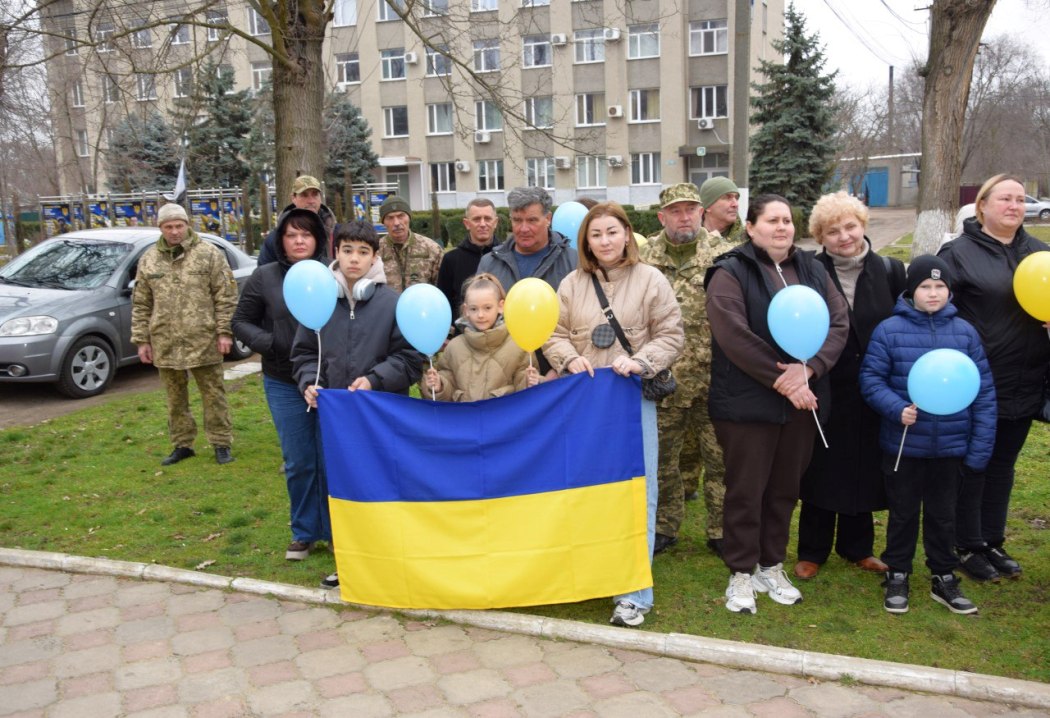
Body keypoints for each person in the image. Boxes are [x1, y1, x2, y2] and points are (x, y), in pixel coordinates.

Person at [704, 194, 848, 614]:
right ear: (750, 228)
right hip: (746, 404)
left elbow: (838, 323)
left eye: (787, 220)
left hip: (802, 402)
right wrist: (785, 380)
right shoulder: (730, 271)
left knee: (785, 490)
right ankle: (741, 571)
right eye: (772, 220)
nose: (782, 227)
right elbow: (733, 335)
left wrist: (811, 369)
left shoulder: (814, 269)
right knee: (746, 491)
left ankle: (771, 565)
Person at [544, 202, 685, 628]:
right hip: (583, 404)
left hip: (629, 402)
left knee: (635, 494)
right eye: (596, 234)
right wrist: (567, 358)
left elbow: (671, 334)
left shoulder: (651, 280)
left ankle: (633, 594)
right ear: (586, 241)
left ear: (626, 234)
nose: (604, 241)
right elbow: (553, 332)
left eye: (612, 231)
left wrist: (641, 361)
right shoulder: (571, 285)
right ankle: (589, 575)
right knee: (585, 491)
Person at [292, 219, 426, 589]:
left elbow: (410, 360)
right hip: (337, 421)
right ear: (335, 253)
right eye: (347, 250)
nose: (354, 259)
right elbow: (304, 354)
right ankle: (350, 561)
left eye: (363, 252)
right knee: (344, 488)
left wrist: (374, 379)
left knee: (386, 485)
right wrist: (309, 382)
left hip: (383, 416)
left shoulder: (393, 303)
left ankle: (395, 560)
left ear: (374, 258)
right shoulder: (318, 300)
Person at [859, 255, 997, 615]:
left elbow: (983, 392)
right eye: (925, 286)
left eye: (940, 286)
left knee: (943, 514)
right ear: (911, 290)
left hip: (951, 446)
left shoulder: (965, 333)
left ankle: (943, 576)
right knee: (903, 512)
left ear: (949, 291)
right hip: (904, 444)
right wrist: (896, 408)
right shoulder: (889, 331)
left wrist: (979, 449)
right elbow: (871, 380)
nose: (933, 293)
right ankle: (898, 573)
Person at [938, 174, 1050, 582]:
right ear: (982, 205)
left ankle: (992, 540)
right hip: (978, 382)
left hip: (1027, 378)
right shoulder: (958, 254)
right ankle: (966, 544)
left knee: (1004, 465)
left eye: (1020, 199)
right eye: (1005, 198)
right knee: (975, 463)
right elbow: (934, 308)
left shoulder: (1040, 253)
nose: (1014, 206)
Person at [794, 192, 906, 580]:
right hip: (825, 383)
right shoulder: (809, 270)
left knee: (865, 463)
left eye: (850, 227)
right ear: (820, 237)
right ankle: (812, 549)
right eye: (832, 231)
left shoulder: (891, 270)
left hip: (875, 385)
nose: (844, 237)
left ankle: (857, 547)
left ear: (863, 225)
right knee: (822, 465)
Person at [639, 182, 735, 558]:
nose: (684, 218)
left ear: (701, 213)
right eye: (675, 211)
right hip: (663, 381)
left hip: (714, 380)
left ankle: (722, 530)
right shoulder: (643, 259)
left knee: (721, 460)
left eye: (690, 210)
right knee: (662, 461)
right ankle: (664, 526)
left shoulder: (725, 256)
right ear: (662, 217)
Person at [232, 209, 331, 562]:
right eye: (291, 235)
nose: (299, 241)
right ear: (280, 240)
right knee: (299, 461)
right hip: (283, 381)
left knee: (330, 460)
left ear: (318, 239)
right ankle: (304, 531)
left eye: (306, 234)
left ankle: (335, 530)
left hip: (328, 384)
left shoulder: (332, 274)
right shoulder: (265, 276)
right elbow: (240, 321)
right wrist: (271, 342)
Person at [131, 203, 239, 466]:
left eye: (179, 225)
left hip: (204, 338)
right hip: (165, 340)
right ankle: (182, 444)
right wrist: (142, 339)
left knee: (213, 394)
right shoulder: (149, 259)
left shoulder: (208, 254)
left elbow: (226, 296)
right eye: (168, 227)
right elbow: (141, 302)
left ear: (187, 225)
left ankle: (221, 443)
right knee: (174, 397)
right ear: (160, 228)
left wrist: (224, 332)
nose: (175, 231)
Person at [423, 273, 540, 401]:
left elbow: (524, 390)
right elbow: (448, 383)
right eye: (474, 309)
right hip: (466, 414)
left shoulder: (518, 345)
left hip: (502, 414)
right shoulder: (454, 347)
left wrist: (530, 382)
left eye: (487, 308)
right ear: (466, 310)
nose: (480, 315)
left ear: (501, 306)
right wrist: (439, 385)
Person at [476, 186, 576, 294]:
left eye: (532, 220)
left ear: (548, 219)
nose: (524, 229)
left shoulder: (573, 261)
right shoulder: (489, 264)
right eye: (517, 220)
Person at [436, 199, 500, 315]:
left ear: (495, 222)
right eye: (476, 219)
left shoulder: (506, 257)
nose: (482, 224)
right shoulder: (451, 260)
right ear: (467, 224)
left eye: (487, 218)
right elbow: (444, 304)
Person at [257, 175, 336, 265]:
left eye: (315, 194)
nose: (311, 201)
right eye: (304, 195)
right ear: (293, 198)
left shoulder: (336, 233)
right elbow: (265, 271)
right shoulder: (275, 239)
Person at [376, 195, 443, 292]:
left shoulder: (431, 249)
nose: (396, 223)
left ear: (409, 217)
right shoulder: (375, 251)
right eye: (390, 218)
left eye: (401, 216)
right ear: (383, 222)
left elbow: (442, 288)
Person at [699, 177, 744, 243]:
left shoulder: (749, 240)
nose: (736, 204)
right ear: (708, 206)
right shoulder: (690, 239)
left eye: (736, 198)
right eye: (727, 198)